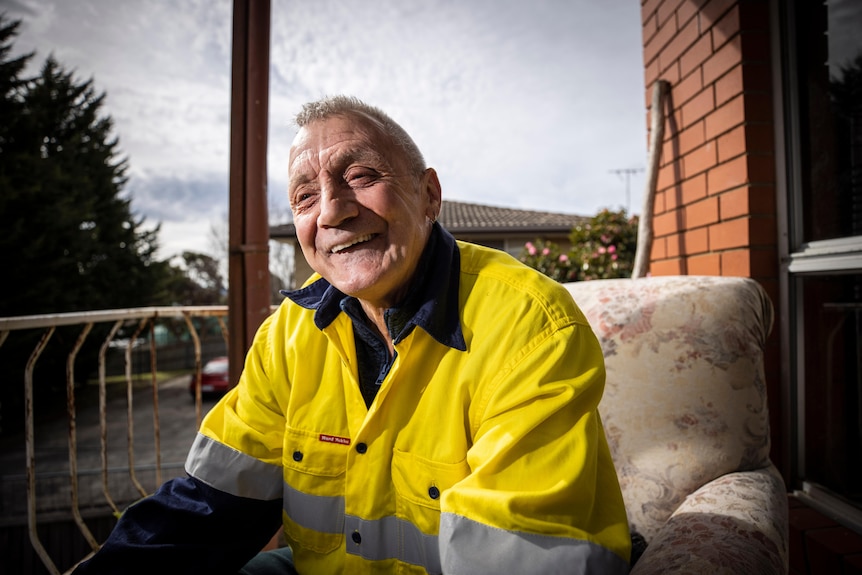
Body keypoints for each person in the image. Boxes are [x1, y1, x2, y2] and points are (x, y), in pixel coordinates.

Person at [73, 95, 631, 574]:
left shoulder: (529, 324)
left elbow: (520, 558)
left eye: (361, 177)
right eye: (305, 197)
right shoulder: (286, 334)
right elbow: (209, 507)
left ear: (429, 195)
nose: (333, 212)